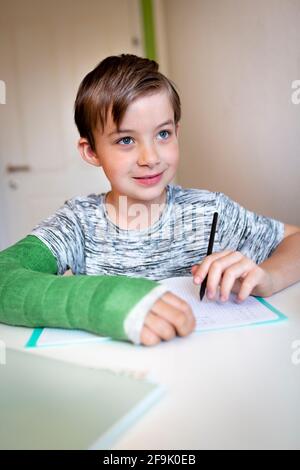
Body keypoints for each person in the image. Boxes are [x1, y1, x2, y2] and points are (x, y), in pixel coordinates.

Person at [0, 54, 300, 346]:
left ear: (177, 132)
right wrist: (103, 300)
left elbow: (295, 238)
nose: (151, 158)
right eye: (126, 140)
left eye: (163, 134)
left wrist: (269, 279)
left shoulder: (210, 212)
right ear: (91, 152)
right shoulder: (78, 223)